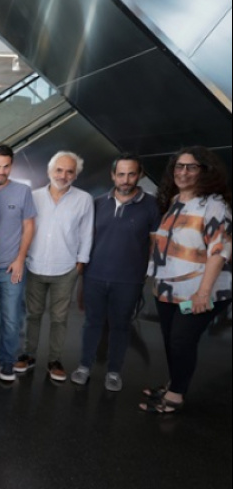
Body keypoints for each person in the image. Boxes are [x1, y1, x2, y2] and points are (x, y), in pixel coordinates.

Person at [139, 147, 231, 414]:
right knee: (171, 340)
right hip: (169, 287)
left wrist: (203, 293)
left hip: (200, 290)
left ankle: (176, 395)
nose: (183, 172)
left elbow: (220, 250)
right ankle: (174, 384)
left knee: (181, 341)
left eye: (191, 167)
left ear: (205, 171)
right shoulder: (175, 200)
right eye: (179, 166)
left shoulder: (214, 204)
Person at [71, 154, 160, 391]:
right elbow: (85, 238)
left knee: (121, 325)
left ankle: (113, 372)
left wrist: (149, 271)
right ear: (113, 176)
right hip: (95, 275)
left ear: (139, 175)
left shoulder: (151, 206)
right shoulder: (98, 203)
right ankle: (84, 366)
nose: (126, 179)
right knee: (92, 323)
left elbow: (154, 244)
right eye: (121, 174)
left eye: (131, 174)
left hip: (129, 279)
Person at [15, 151, 94, 382]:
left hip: (66, 269)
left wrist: (81, 263)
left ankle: (54, 360)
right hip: (35, 265)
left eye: (70, 171)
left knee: (59, 318)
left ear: (76, 175)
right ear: (50, 172)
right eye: (59, 170)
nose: (63, 175)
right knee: (33, 315)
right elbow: (23, 230)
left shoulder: (84, 199)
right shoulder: (34, 196)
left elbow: (87, 233)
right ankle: (28, 355)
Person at [0, 145, 35, 383]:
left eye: (6, 166)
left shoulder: (23, 191)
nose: (1, 171)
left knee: (11, 318)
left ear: (11, 166)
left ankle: (7, 362)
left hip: (11, 266)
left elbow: (29, 226)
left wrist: (21, 258)